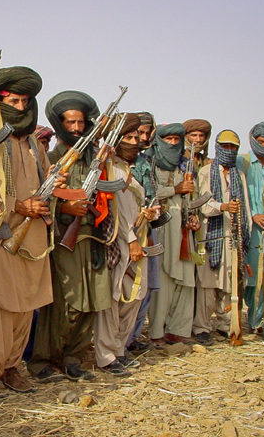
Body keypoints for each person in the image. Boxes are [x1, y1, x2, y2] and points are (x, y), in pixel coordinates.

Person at [0, 66, 54, 400]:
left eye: (25, 101)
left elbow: (44, 181)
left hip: (33, 235)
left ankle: (10, 367)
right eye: (14, 101)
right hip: (0, 231)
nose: (21, 107)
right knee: (0, 306)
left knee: (25, 306)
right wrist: (19, 206)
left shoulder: (34, 141)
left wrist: (55, 187)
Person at [27, 91, 108, 383]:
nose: (75, 128)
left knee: (93, 301)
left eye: (80, 122)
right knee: (65, 303)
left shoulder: (95, 158)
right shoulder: (50, 158)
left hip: (92, 238)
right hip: (63, 238)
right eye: (69, 122)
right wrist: (65, 205)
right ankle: (44, 361)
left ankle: (73, 358)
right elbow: (37, 198)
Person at [94, 113, 156, 375]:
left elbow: (132, 206)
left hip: (136, 239)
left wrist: (147, 215)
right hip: (117, 242)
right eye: (127, 137)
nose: (133, 142)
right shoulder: (108, 167)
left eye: (135, 137)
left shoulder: (130, 168)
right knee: (114, 298)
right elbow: (114, 210)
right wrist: (130, 240)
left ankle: (119, 350)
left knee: (134, 296)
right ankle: (106, 355)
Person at [194, 131, 251, 344]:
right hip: (211, 237)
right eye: (225, 146)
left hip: (233, 237)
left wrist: (244, 236)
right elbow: (202, 204)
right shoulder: (206, 172)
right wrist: (223, 206)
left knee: (230, 284)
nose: (229, 151)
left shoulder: (239, 175)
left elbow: (244, 207)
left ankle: (225, 325)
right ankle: (201, 327)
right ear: (218, 147)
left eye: (233, 147)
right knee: (208, 286)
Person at [147, 124, 196, 346]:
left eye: (177, 139)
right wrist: (174, 190)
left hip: (183, 228)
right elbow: (147, 193)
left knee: (186, 280)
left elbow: (192, 195)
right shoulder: (150, 162)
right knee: (163, 280)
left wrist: (193, 214)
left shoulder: (185, 164)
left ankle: (178, 330)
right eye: (168, 139)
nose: (173, 144)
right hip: (162, 227)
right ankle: (156, 331)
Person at [236, 123, 264, 334]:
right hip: (247, 227)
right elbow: (237, 193)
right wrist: (253, 214)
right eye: (261, 142)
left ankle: (259, 321)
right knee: (249, 276)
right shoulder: (242, 162)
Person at [126, 112, 160, 353]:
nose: (143, 138)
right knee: (127, 288)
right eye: (139, 133)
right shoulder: (121, 162)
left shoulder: (146, 162)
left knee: (145, 289)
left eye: (147, 133)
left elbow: (152, 195)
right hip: (128, 230)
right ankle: (120, 343)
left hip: (147, 229)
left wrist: (153, 214)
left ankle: (133, 337)